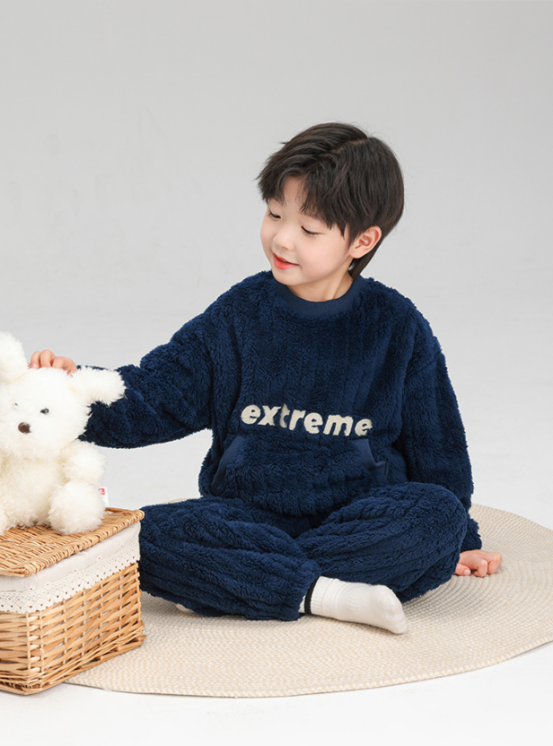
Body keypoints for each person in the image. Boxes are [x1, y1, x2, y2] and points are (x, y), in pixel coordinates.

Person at [31, 122, 502, 634]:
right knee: (141, 536)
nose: (282, 238)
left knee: (437, 514)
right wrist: (70, 393)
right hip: (248, 513)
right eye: (275, 213)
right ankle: (327, 592)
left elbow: (438, 442)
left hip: (361, 515)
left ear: (362, 240)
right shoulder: (240, 314)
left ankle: (250, 580)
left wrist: (462, 537)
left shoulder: (396, 325)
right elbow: (159, 393)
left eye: (309, 229)